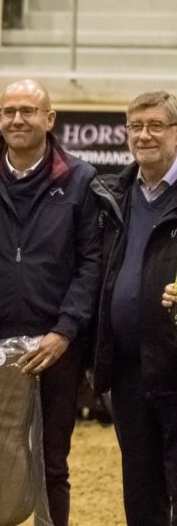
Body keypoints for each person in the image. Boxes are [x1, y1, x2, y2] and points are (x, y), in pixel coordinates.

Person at [0, 79, 102, 526]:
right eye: (8, 111)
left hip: (57, 347)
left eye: (28, 110)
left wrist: (65, 330)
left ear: (49, 118)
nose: (17, 119)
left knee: (50, 462)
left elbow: (91, 263)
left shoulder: (81, 179)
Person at [93, 91, 177, 526]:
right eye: (136, 126)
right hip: (127, 368)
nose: (144, 135)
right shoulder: (114, 195)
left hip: (175, 363)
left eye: (156, 126)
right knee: (141, 492)